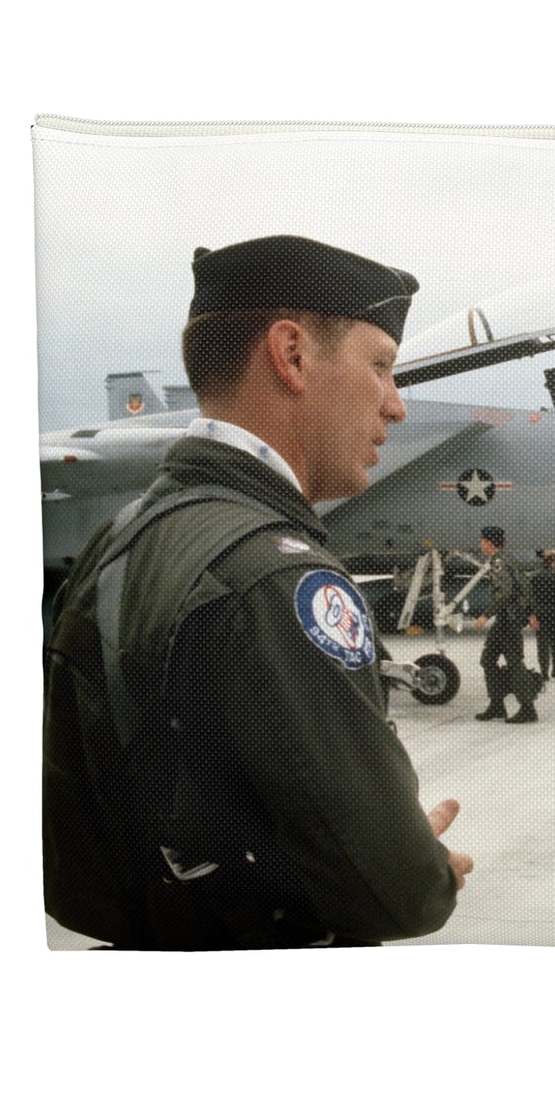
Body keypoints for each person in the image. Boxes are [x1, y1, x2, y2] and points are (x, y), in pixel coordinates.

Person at [43, 234, 472, 950]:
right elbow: (396, 894)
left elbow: (73, 860)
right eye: (382, 367)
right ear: (292, 354)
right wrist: (416, 865)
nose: (395, 406)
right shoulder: (279, 576)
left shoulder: (116, 542)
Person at [474, 525, 538, 723]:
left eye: (482, 541)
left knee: (514, 663)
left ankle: (527, 708)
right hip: (508, 619)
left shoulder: (500, 562)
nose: (480, 544)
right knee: (488, 660)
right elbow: (525, 586)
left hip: (508, 620)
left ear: (489, 543)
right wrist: (530, 613)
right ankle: (497, 705)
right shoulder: (506, 559)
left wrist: (486, 615)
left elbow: (507, 591)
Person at [529, 551, 555, 681]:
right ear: (553, 561)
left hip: (540, 612)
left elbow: (529, 598)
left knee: (542, 644)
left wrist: (531, 616)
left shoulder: (534, 576)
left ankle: (544, 672)